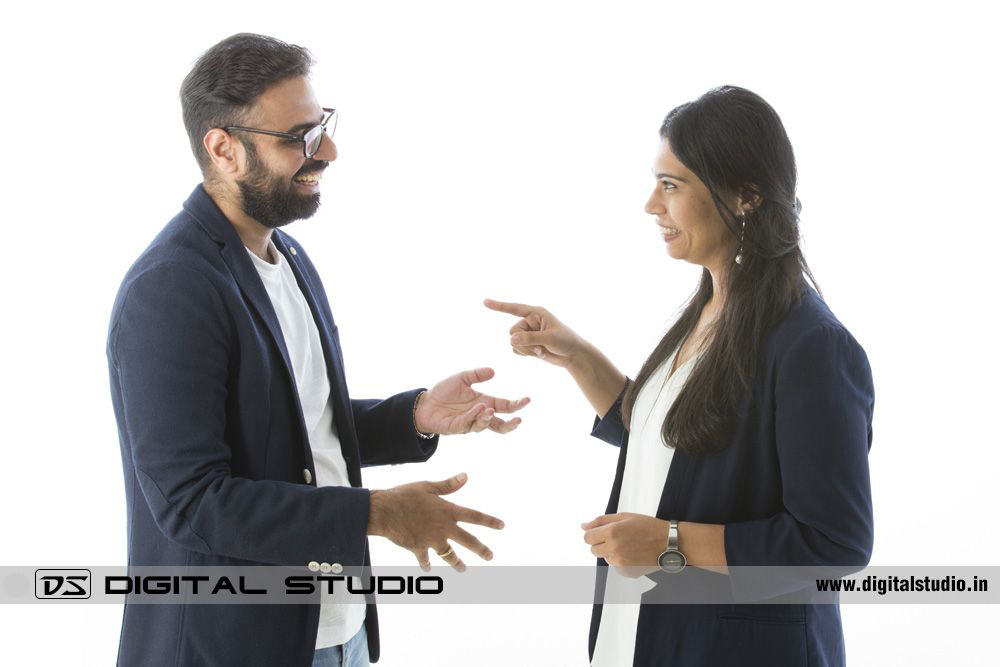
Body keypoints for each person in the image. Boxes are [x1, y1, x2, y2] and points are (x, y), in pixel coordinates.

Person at [107, 33, 528, 667]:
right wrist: (377, 514)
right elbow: (192, 501)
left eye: (322, 125)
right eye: (297, 137)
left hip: (335, 630)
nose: (327, 151)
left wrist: (411, 415)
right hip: (233, 647)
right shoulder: (171, 289)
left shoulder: (286, 254)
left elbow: (291, 431)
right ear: (223, 149)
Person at [486, 85, 874, 666]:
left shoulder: (812, 347)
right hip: (646, 629)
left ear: (745, 196)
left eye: (671, 185)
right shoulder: (714, 306)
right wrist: (577, 355)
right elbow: (681, 445)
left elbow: (834, 542)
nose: (651, 204)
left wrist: (670, 543)